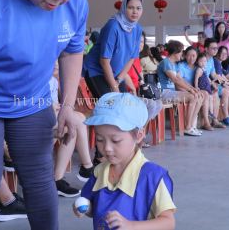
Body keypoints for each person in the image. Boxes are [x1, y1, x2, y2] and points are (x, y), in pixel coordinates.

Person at [0, 0, 88, 229]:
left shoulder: (75, 2)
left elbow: (72, 51)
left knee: (40, 177)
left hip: (33, 98)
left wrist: (67, 105)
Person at [75, 92, 176, 230]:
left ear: (139, 135)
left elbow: (168, 222)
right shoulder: (99, 172)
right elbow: (95, 210)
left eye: (115, 140)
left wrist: (131, 226)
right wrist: (85, 208)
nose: (107, 148)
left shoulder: (153, 177)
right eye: (100, 139)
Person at [83, 0, 143, 98]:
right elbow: (104, 61)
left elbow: (132, 58)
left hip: (116, 73)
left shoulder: (137, 28)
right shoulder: (113, 26)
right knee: (112, 105)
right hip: (96, 70)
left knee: (124, 105)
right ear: (124, 8)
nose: (135, 12)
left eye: (138, 8)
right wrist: (115, 87)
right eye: (130, 8)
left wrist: (119, 79)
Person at [157, 40, 203, 136]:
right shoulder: (166, 62)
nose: (182, 54)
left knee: (198, 96)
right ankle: (188, 127)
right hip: (164, 93)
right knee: (193, 97)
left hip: (171, 92)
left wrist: (192, 88)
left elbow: (180, 79)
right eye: (181, 51)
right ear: (175, 52)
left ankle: (191, 126)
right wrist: (190, 90)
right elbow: (175, 80)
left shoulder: (174, 64)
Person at [179, 47, 213, 131]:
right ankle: (192, 124)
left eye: (194, 56)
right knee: (200, 95)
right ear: (185, 56)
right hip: (184, 89)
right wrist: (192, 90)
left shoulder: (198, 67)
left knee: (205, 93)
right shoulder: (181, 66)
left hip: (194, 88)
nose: (191, 58)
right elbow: (179, 82)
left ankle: (205, 121)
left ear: (197, 56)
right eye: (189, 55)